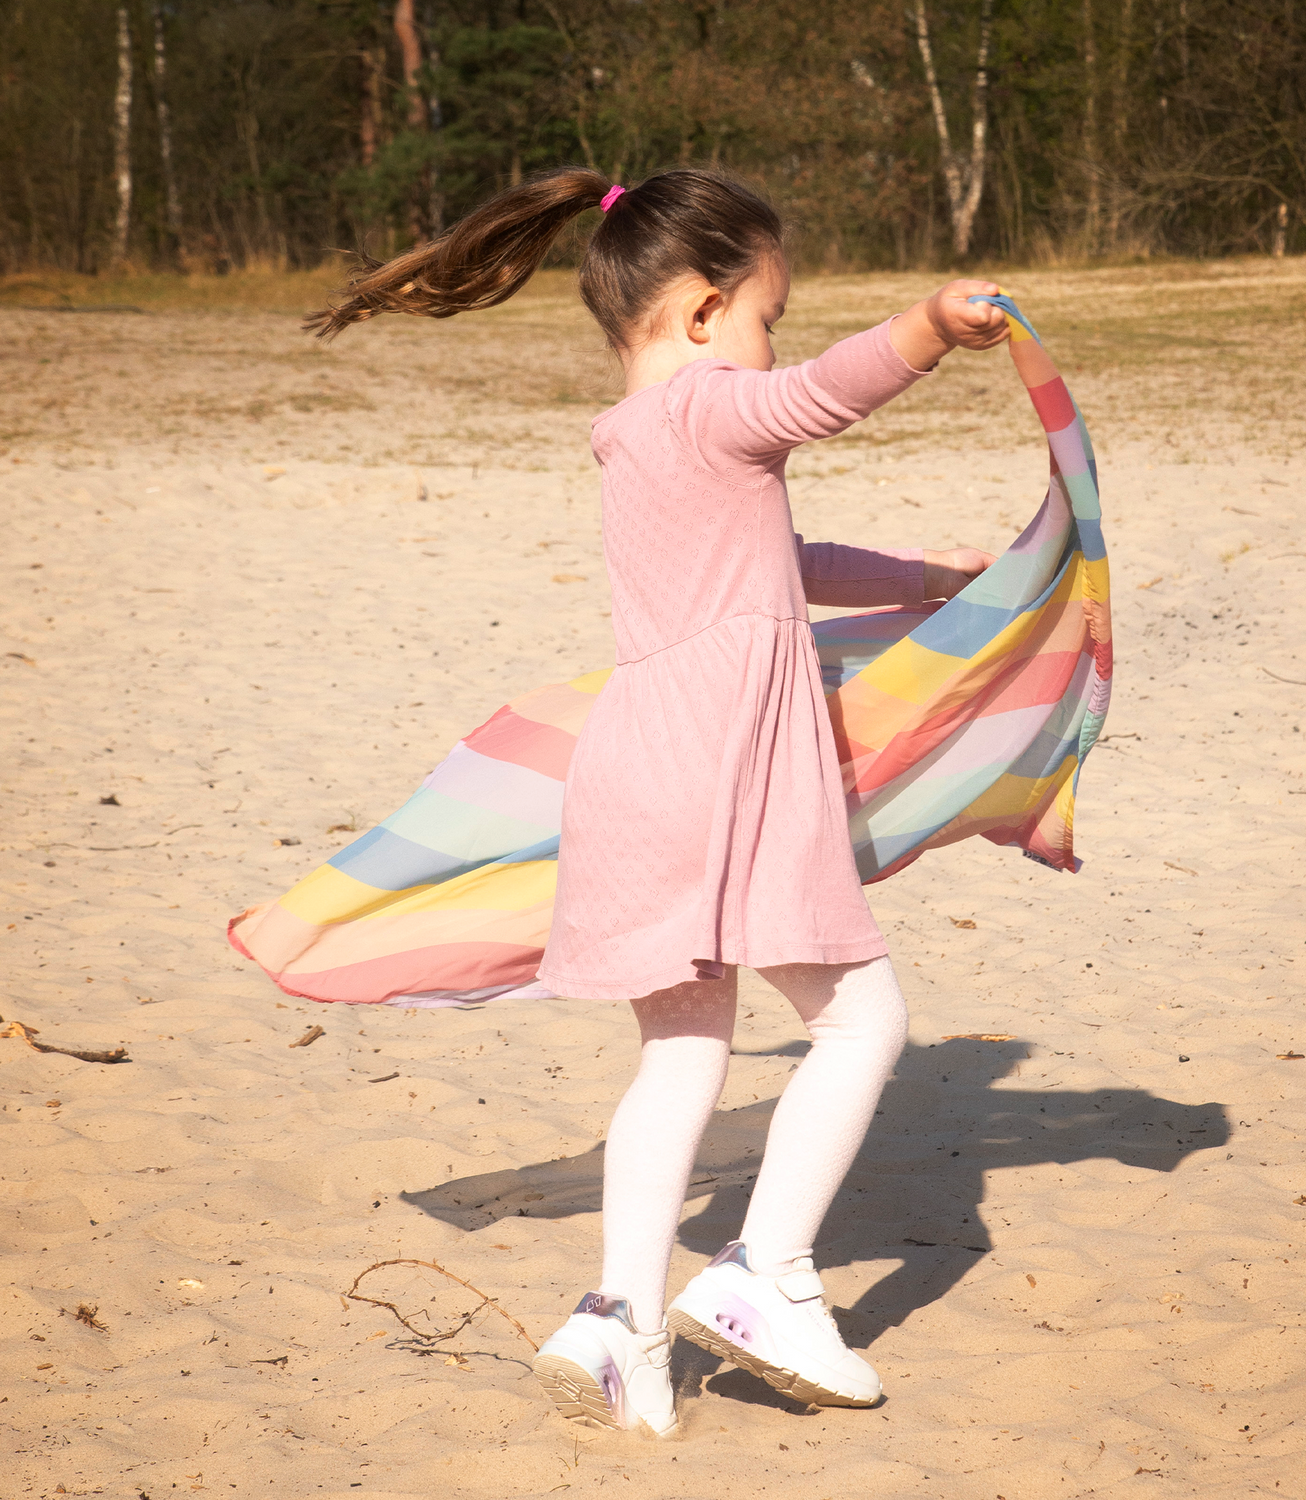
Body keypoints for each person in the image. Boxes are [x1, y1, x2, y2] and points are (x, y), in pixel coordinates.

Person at [308, 167, 1010, 1435]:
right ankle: (766, 1276)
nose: (773, 348)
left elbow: (779, 557)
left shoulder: (636, 436)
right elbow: (819, 397)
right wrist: (928, 326)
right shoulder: (716, 408)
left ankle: (619, 1323)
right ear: (699, 313)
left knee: (682, 1050)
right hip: (724, 762)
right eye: (767, 316)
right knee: (864, 1021)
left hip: (637, 768)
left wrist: (921, 574)